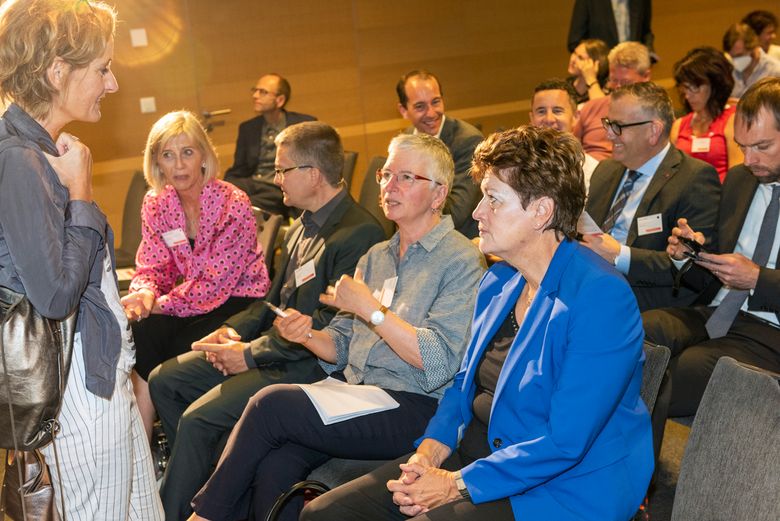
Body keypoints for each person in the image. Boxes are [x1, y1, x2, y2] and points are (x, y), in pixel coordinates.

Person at [301, 126, 654, 521]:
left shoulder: (601, 297)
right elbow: (461, 387)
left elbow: (565, 441)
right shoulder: (499, 280)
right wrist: (430, 450)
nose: (476, 212)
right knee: (325, 513)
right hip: (483, 452)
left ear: (541, 211)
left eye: (493, 200)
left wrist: (454, 484)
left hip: (565, 485)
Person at [187, 133, 486, 521]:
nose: (389, 186)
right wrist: (308, 335)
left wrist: (372, 310)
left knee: (269, 403)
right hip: (357, 395)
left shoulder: (460, 260)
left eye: (405, 177)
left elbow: (438, 362)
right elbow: (341, 346)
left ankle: (202, 518)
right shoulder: (377, 256)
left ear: (439, 193)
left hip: (414, 405)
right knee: (275, 464)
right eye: (385, 174)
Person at [148, 121, 386, 520]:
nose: (275, 179)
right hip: (275, 351)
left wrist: (250, 355)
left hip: (309, 365)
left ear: (312, 174)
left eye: (282, 170)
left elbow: (327, 329)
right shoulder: (301, 228)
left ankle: (177, 512)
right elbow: (269, 303)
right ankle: (212, 483)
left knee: (198, 419)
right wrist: (233, 332)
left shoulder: (358, 234)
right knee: (165, 382)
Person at [0, 1, 163, 519]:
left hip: (99, 375)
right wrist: (82, 192)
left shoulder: (42, 149)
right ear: (56, 71)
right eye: (103, 69)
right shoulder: (20, 159)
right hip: (76, 391)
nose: (111, 84)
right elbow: (53, 297)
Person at [121, 110, 271, 441]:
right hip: (189, 299)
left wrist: (157, 304)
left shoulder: (233, 203)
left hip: (239, 302)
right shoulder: (157, 202)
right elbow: (153, 264)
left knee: (169, 340)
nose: (179, 166)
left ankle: (186, 447)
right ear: (156, 162)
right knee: (140, 331)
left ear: (204, 155)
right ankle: (144, 452)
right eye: (168, 155)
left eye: (187, 152)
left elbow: (211, 288)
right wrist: (144, 293)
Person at [643, 77, 780, 417]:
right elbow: (716, 269)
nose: (748, 159)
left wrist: (757, 278)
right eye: (742, 146)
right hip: (719, 311)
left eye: (761, 146)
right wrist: (690, 255)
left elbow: (748, 275)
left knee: (683, 372)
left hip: (770, 327)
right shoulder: (739, 180)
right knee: (638, 333)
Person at [582, 82, 721, 312]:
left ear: (653, 130)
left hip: (643, 299)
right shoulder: (606, 170)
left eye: (618, 126)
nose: (608, 134)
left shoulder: (694, 179)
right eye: (608, 123)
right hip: (588, 282)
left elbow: (695, 270)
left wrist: (619, 254)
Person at [397, 70, 484, 238]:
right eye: (420, 106)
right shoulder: (405, 140)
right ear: (403, 110)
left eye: (435, 102)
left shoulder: (468, 141)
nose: (431, 113)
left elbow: (456, 213)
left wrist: (406, 201)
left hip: (459, 240)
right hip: (416, 236)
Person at [223, 73, 316, 218]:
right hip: (252, 183)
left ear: (280, 100)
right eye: (255, 90)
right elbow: (239, 168)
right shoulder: (248, 128)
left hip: (277, 186)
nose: (255, 95)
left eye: (263, 92)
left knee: (241, 206)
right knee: (221, 197)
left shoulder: (303, 125)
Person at [671, 47, 743, 182]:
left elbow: (738, 179)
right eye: (685, 88)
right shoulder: (678, 125)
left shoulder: (733, 120)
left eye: (694, 87)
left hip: (721, 198)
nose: (687, 95)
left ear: (714, 84)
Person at [574, 41, 652, 160]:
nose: (618, 87)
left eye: (626, 82)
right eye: (614, 80)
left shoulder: (656, 114)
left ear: (646, 76)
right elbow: (573, 150)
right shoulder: (591, 107)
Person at [529, 78, 599, 191]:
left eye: (557, 111)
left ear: (576, 117)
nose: (549, 119)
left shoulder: (594, 171)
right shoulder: (517, 169)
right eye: (541, 111)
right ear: (531, 118)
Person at [567, 0, 653, 53]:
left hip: (633, 73)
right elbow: (575, 42)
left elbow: (645, 32)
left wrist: (648, 52)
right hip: (601, 76)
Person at [723, 23, 780, 100]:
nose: (735, 61)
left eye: (739, 55)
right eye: (732, 57)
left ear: (754, 48)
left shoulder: (775, 71)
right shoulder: (730, 70)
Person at [566, 38, 609, 105]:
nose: (573, 59)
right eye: (574, 53)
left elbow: (600, 108)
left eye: (580, 58)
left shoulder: (604, 89)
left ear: (595, 64)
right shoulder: (564, 86)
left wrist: (591, 78)